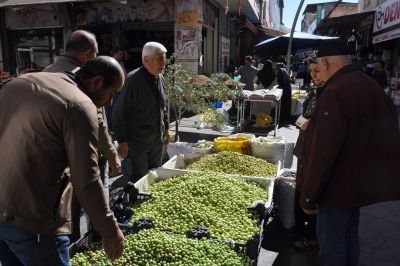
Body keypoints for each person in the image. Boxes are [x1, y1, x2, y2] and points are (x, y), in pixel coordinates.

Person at [0, 57, 125, 266]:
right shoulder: (80, 106)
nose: (111, 102)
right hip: (32, 222)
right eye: (111, 93)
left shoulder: (19, 83)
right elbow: (87, 179)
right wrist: (110, 230)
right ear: (96, 82)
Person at [297, 39, 400, 266]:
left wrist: (308, 196)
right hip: (358, 182)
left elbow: (323, 152)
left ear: (324, 63)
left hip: (337, 186)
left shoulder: (335, 90)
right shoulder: (369, 83)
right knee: (349, 236)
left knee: (331, 242)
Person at [44, 30, 121, 243]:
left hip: (54, 161)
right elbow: (98, 121)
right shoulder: (85, 79)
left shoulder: (46, 72)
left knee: (66, 212)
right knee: (90, 201)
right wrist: (111, 153)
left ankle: (75, 248)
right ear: (87, 54)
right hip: (83, 155)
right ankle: (95, 244)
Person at [113, 42, 171, 183]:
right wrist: (122, 141)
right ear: (146, 60)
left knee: (156, 174)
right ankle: (137, 203)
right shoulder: (133, 80)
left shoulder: (161, 78)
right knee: (139, 179)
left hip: (156, 139)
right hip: (137, 142)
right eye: (160, 59)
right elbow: (118, 113)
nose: (164, 63)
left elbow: (163, 106)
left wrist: (167, 129)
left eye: (165, 59)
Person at [293, 56, 325, 251]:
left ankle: (313, 236)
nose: (313, 75)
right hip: (303, 146)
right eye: (311, 70)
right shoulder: (316, 90)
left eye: (317, 70)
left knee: (311, 190)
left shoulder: (328, 92)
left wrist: (307, 124)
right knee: (303, 185)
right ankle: (307, 228)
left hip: (313, 149)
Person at [107, 47, 127, 130]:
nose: (122, 56)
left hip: (121, 91)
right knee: (114, 109)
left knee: (119, 109)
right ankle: (110, 126)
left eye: (122, 54)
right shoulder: (111, 63)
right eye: (120, 54)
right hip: (115, 91)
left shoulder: (121, 63)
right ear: (114, 54)